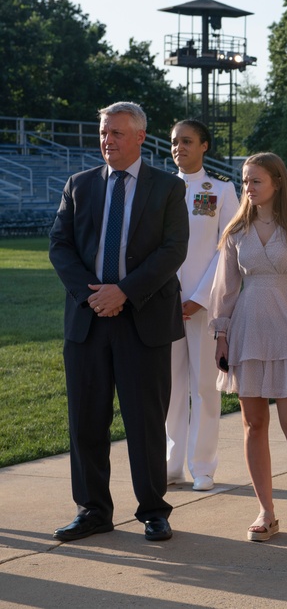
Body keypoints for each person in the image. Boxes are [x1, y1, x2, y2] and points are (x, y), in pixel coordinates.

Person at [49, 101, 189, 542]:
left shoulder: (167, 188)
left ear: (140, 137)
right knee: (85, 420)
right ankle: (92, 510)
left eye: (117, 133)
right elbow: (60, 246)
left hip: (142, 320)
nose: (107, 140)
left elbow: (173, 250)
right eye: (104, 133)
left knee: (145, 421)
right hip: (88, 320)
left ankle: (153, 510)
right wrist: (93, 295)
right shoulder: (79, 185)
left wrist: (124, 292)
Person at [209, 152, 287, 545]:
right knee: (253, 424)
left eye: (255, 181)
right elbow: (225, 290)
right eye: (245, 181)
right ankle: (265, 511)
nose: (248, 188)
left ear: (277, 182)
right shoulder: (235, 232)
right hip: (246, 332)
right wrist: (221, 335)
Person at [164, 119, 239, 492]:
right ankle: (171, 464)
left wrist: (198, 297)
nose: (180, 148)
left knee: (205, 387)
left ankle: (203, 466)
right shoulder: (158, 187)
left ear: (205, 146)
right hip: (163, 303)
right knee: (171, 388)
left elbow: (227, 250)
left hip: (204, 306)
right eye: (175, 141)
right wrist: (166, 293)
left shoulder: (222, 192)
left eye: (188, 141)